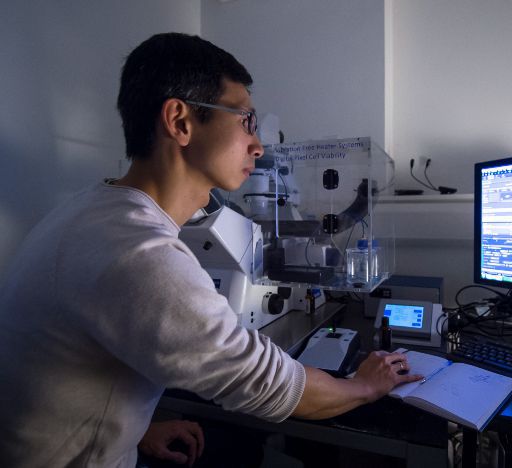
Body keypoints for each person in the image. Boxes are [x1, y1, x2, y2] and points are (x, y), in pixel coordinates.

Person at [0, 32, 421, 468]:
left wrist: (136, 430)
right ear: (180, 121)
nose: (258, 147)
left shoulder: (92, 210)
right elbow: (274, 387)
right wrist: (365, 385)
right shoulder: (139, 254)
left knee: (228, 444)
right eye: (246, 122)